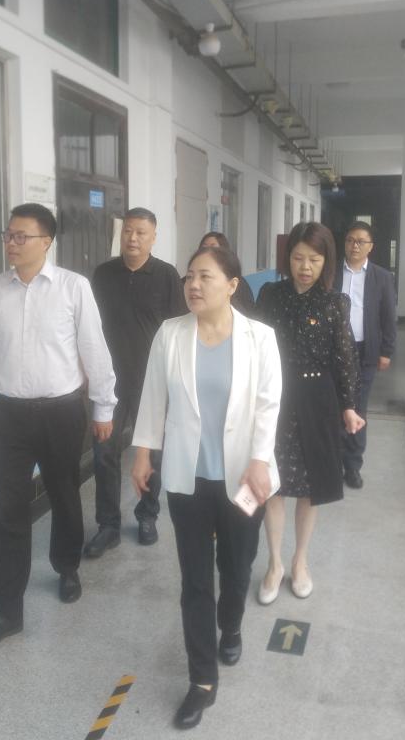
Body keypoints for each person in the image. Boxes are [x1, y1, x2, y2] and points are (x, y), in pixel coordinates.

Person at [131, 245, 282, 729]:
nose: (193, 285)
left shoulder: (260, 338)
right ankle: (201, 680)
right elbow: (153, 396)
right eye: (189, 277)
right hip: (187, 478)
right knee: (195, 580)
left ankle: (231, 626)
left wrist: (259, 460)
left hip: (244, 477)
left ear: (233, 285)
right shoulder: (171, 334)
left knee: (237, 568)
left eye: (205, 277)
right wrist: (143, 452)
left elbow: (268, 404)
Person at [0, 203, 116, 650]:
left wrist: (103, 408)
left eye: (21, 236)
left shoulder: (73, 287)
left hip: (61, 412)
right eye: (8, 235)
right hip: (9, 414)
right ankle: (7, 609)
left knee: (64, 493)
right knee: (8, 510)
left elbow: (94, 348)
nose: (11, 243)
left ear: (46, 242)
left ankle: (67, 567)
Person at [255, 221, 364, 605]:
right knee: (273, 484)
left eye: (314, 259)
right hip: (275, 399)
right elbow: (254, 347)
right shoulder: (270, 295)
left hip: (318, 401)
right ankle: (274, 564)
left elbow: (345, 358)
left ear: (325, 261)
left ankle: (300, 561)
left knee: (311, 487)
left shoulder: (335, 303)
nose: (305, 267)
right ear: (288, 258)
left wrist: (349, 406)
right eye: (299, 258)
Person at [85, 207, 186, 557]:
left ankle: (147, 515)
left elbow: (178, 330)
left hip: (151, 381)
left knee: (152, 452)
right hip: (108, 381)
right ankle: (108, 525)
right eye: (128, 230)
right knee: (104, 453)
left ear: (153, 237)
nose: (133, 238)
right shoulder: (103, 274)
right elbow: (88, 327)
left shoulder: (166, 276)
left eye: (141, 232)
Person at [334, 220, 396, 489]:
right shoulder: (331, 272)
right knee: (334, 405)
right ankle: (332, 462)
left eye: (361, 241)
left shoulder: (381, 277)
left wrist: (386, 351)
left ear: (371, 247)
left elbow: (389, 316)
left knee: (358, 407)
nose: (355, 246)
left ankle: (352, 466)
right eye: (350, 240)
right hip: (334, 350)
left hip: (364, 350)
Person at [197, 232, 255, 316]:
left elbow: (248, 311)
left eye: (213, 247)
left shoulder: (239, 283)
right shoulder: (190, 281)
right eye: (204, 247)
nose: (208, 251)